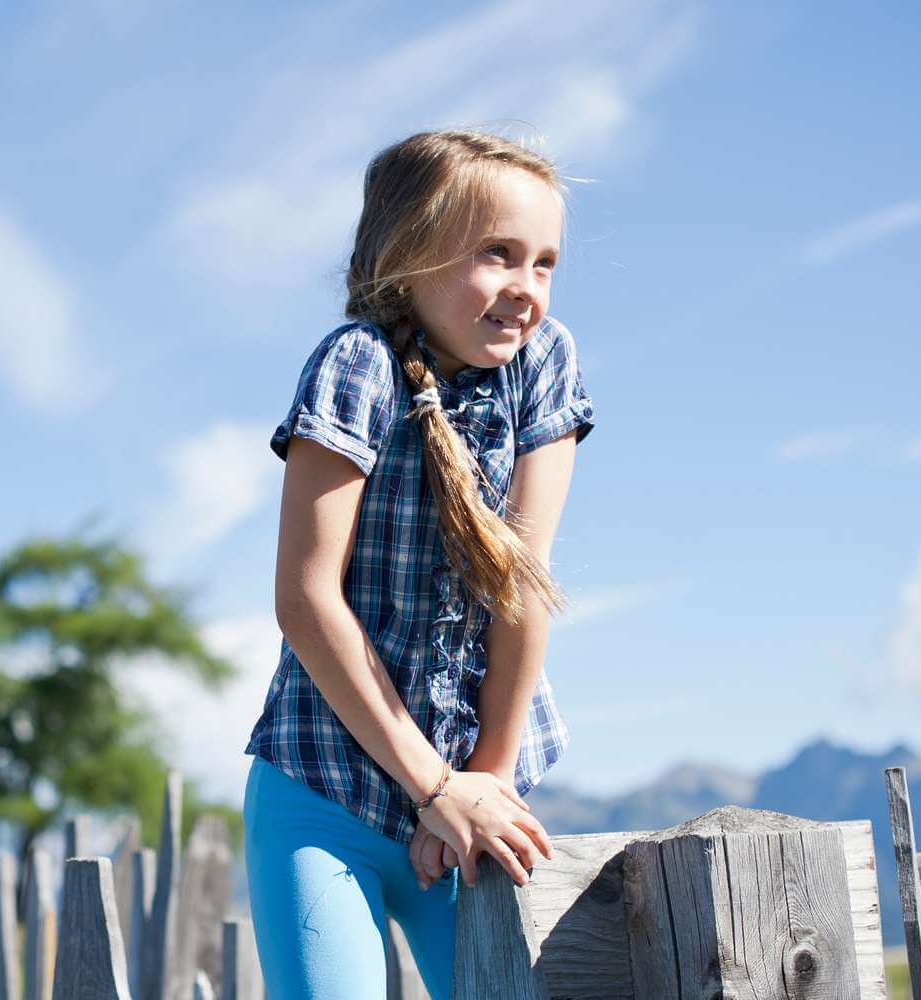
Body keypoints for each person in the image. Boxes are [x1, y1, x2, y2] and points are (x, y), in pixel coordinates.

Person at [242, 128, 595, 999]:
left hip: (475, 798)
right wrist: (431, 784)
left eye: (544, 263)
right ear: (410, 258)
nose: (527, 289)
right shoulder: (354, 366)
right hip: (325, 796)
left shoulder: (543, 364)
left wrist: (485, 782)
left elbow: (523, 578)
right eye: (498, 255)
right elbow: (307, 599)